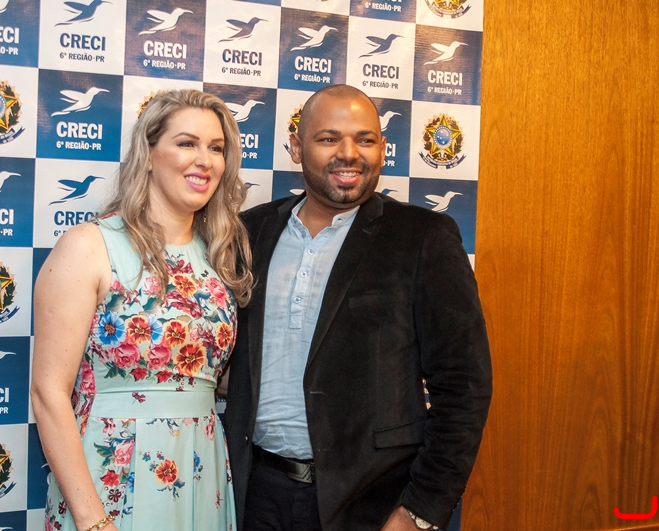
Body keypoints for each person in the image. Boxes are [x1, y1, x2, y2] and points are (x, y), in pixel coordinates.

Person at [224, 84, 492, 531]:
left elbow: (464, 386)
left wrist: (421, 511)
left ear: (382, 149)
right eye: (329, 138)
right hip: (256, 496)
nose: (349, 153)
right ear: (296, 147)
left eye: (365, 139)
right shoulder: (250, 233)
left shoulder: (423, 237)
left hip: (375, 505)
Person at [31, 89, 252, 531]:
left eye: (216, 148)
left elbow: (214, 376)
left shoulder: (219, 256)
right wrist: (93, 521)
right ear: (149, 154)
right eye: (186, 143)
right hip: (111, 475)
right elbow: (48, 393)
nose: (204, 160)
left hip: (202, 470)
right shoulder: (90, 246)